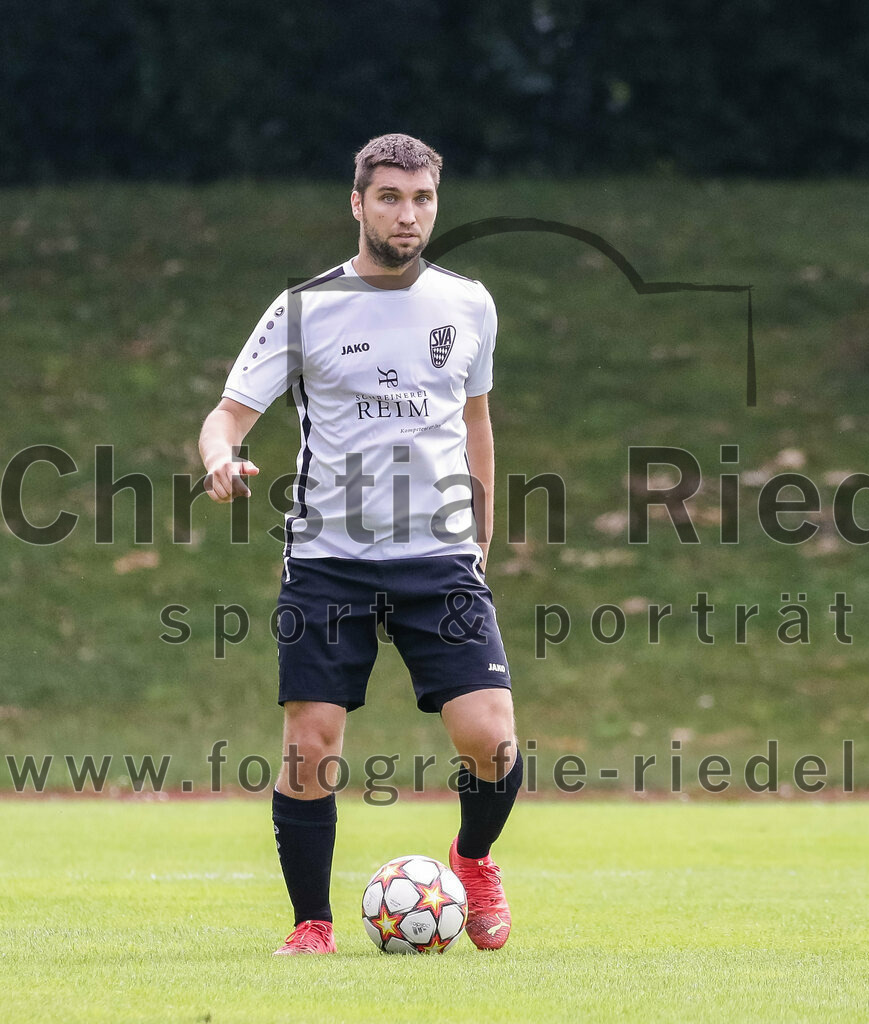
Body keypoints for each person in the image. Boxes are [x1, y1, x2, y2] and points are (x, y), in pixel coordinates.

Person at [198, 133, 521, 955]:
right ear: (358, 203)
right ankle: (312, 926)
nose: (407, 215)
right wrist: (220, 460)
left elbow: (476, 422)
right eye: (389, 198)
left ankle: (473, 860)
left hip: (439, 557)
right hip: (328, 560)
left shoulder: (469, 303)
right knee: (310, 746)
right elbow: (228, 414)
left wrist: (482, 531)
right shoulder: (306, 307)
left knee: (492, 740)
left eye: (421, 200)